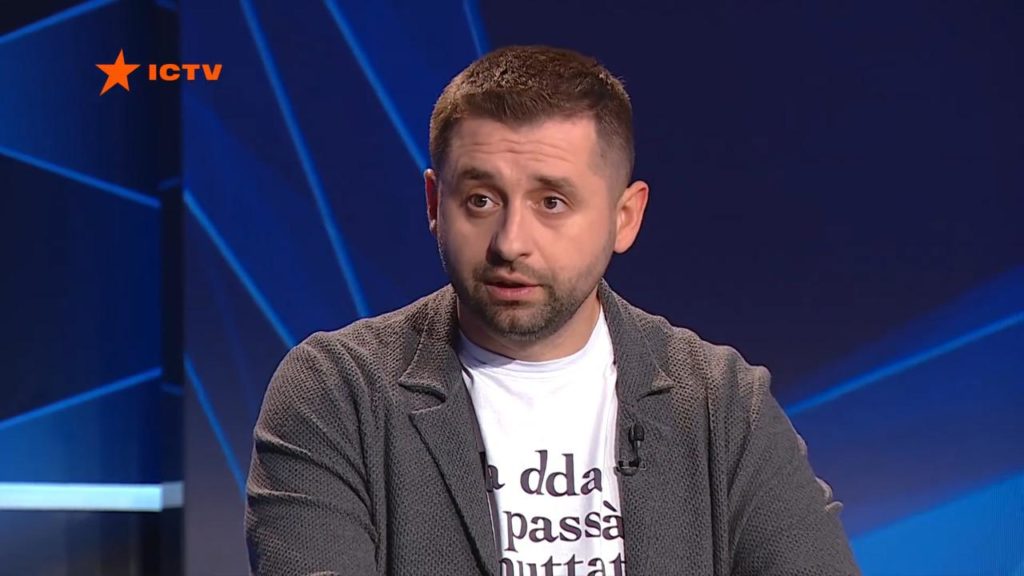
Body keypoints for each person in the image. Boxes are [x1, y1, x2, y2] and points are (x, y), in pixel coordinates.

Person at [245, 45, 860, 576]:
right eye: (481, 199)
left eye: (552, 202)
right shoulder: (338, 393)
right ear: (434, 203)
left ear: (625, 217)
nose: (511, 242)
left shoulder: (720, 404)